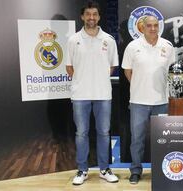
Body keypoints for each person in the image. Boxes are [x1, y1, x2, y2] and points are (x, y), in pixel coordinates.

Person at [66, 1, 119, 185]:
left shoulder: (109, 40)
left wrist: (97, 80)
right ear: (82, 16)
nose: (91, 18)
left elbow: (112, 66)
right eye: (88, 14)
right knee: (82, 133)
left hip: (103, 94)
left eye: (94, 14)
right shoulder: (73, 40)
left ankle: (104, 169)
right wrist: (83, 81)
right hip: (80, 95)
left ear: (99, 17)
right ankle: (82, 170)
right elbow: (69, 67)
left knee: (104, 132)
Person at [121, 15, 175, 184]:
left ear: (158, 27)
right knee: (137, 139)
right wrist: (139, 85)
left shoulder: (167, 46)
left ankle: (161, 171)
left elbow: (172, 72)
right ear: (142, 28)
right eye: (149, 26)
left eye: (155, 25)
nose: (152, 28)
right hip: (138, 101)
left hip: (162, 101)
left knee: (163, 140)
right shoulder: (132, 46)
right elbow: (127, 71)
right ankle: (136, 170)